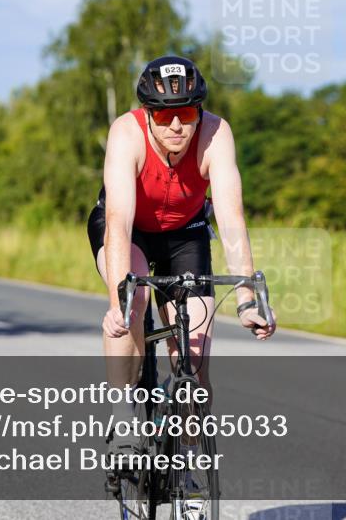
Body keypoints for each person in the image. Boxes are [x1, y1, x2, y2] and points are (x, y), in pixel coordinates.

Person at [88, 55, 276, 453]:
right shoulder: (126, 133)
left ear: (199, 111)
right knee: (135, 300)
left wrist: (247, 299)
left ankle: (187, 467)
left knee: (195, 360)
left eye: (187, 113)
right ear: (147, 113)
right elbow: (119, 223)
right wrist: (118, 303)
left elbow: (231, 218)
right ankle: (122, 417)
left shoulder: (216, 134)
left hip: (185, 234)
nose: (176, 125)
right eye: (163, 115)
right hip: (130, 231)